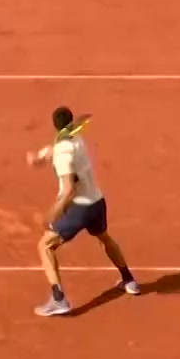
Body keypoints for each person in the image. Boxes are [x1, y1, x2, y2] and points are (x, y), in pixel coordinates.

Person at [29, 106, 139, 316]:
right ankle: (129, 280)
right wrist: (39, 157)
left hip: (79, 208)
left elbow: (69, 188)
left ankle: (59, 299)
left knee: (45, 245)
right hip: (97, 201)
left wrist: (54, 212)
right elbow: (56, 148)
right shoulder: (76, 137)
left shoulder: (63, 154)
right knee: (104, 237)